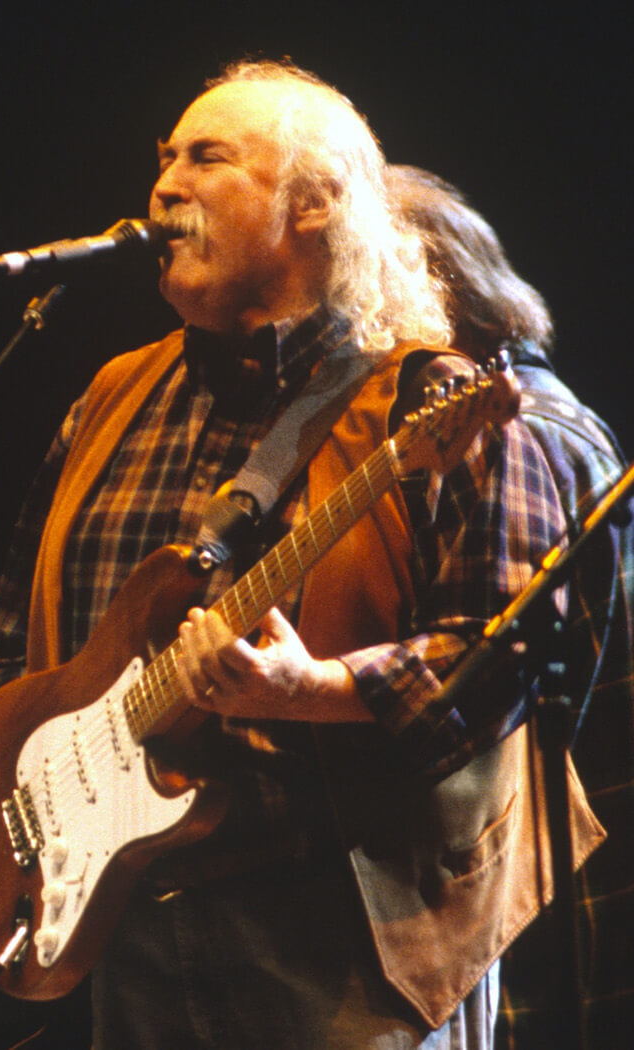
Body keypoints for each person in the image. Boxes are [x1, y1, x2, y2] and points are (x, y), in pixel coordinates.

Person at [0, 60, 604, 1049]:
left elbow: (499, 660)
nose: (162, 184)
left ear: (313, 203)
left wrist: (306, 689)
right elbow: (27, 662)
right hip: (127, 935)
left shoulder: (431, 400)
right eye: (161, 159)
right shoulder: (109, 396)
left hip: (345, 946)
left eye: (206, 157)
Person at [389, 163, 633, 1049]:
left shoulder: (508, 428)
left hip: (556, 917)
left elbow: (476, 691)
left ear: (415, 286)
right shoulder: (555, 415)